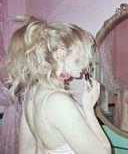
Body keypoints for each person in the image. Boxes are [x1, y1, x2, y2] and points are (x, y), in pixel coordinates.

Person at [4, 16, 111, 154]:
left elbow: (26, 150)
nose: (87, 61)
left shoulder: (33, 92)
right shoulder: (58, 102)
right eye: (82, 53)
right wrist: (89, 109)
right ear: (61, 55)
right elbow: (104, 152)